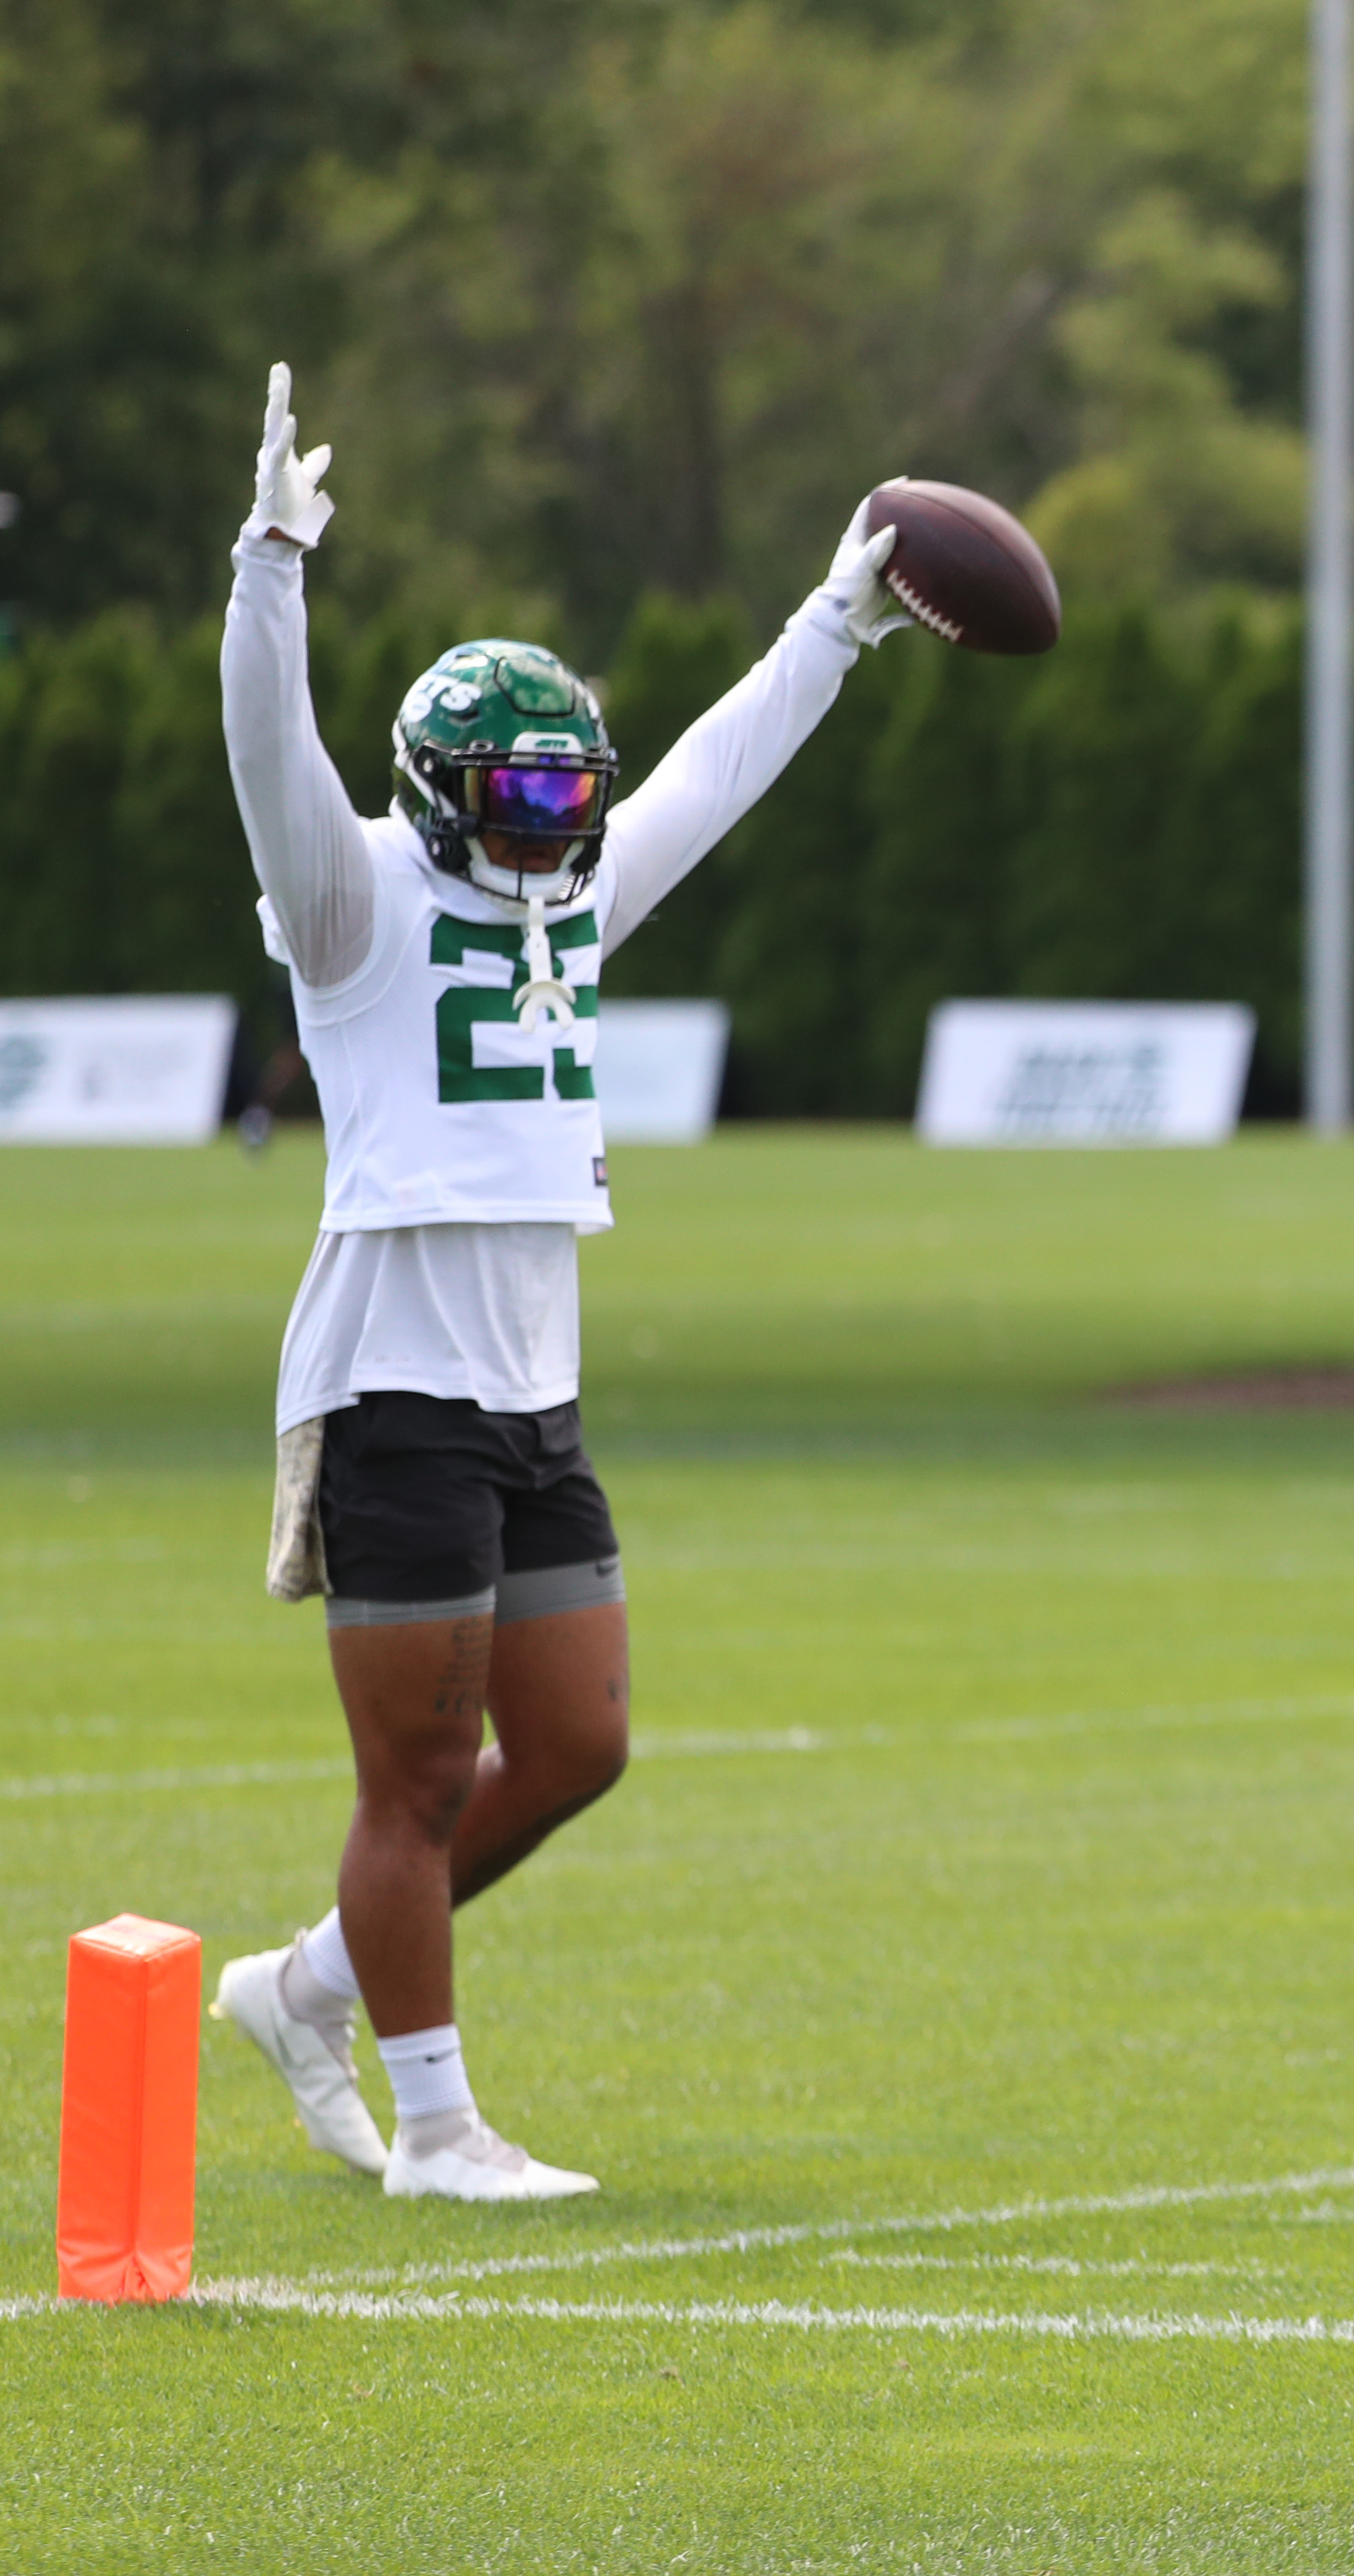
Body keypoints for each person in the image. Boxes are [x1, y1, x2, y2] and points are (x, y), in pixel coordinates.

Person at [205, 364, 916, 2201]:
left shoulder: (573, 906)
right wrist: (270, 563)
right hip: (394, 1385)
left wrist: (836, 617)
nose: (553, 819)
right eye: (519, 789)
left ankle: (310, 1988)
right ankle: (435, 2125)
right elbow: (266, 754)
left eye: (566, 788)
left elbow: (715, 771)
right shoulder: (351, 900)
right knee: (417, 1780)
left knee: (580, 1743)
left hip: (532, 1384)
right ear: (441, 793)